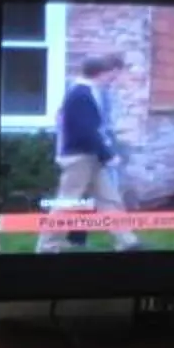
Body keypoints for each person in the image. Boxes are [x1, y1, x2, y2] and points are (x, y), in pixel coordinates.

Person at [49, 51, 142, 251]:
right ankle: (47, 246)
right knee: (67, 203)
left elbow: (89, 130)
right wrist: (108, 156)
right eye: (112, 75)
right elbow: (87, 132)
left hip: (90, 157)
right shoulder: (81, 94)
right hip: (80, 158)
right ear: (102, 72)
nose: (113, 79)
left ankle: (128, 243)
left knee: (109, 200)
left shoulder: (86, 92)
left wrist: (103, 154)